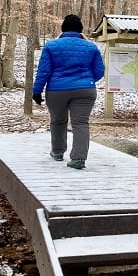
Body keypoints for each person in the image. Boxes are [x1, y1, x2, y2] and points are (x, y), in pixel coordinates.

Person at [32, 14, 105, 169]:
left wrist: (37, 91)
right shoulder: (91, 47)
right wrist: (87, 80)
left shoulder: (51, 46)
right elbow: (99, 71)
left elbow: (43, 71)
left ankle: (58, 152)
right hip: (85, 90)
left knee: (58, 121)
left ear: (63, 29)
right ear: (80, 30)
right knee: (81, 123)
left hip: (57, 90)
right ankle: (79, 159)